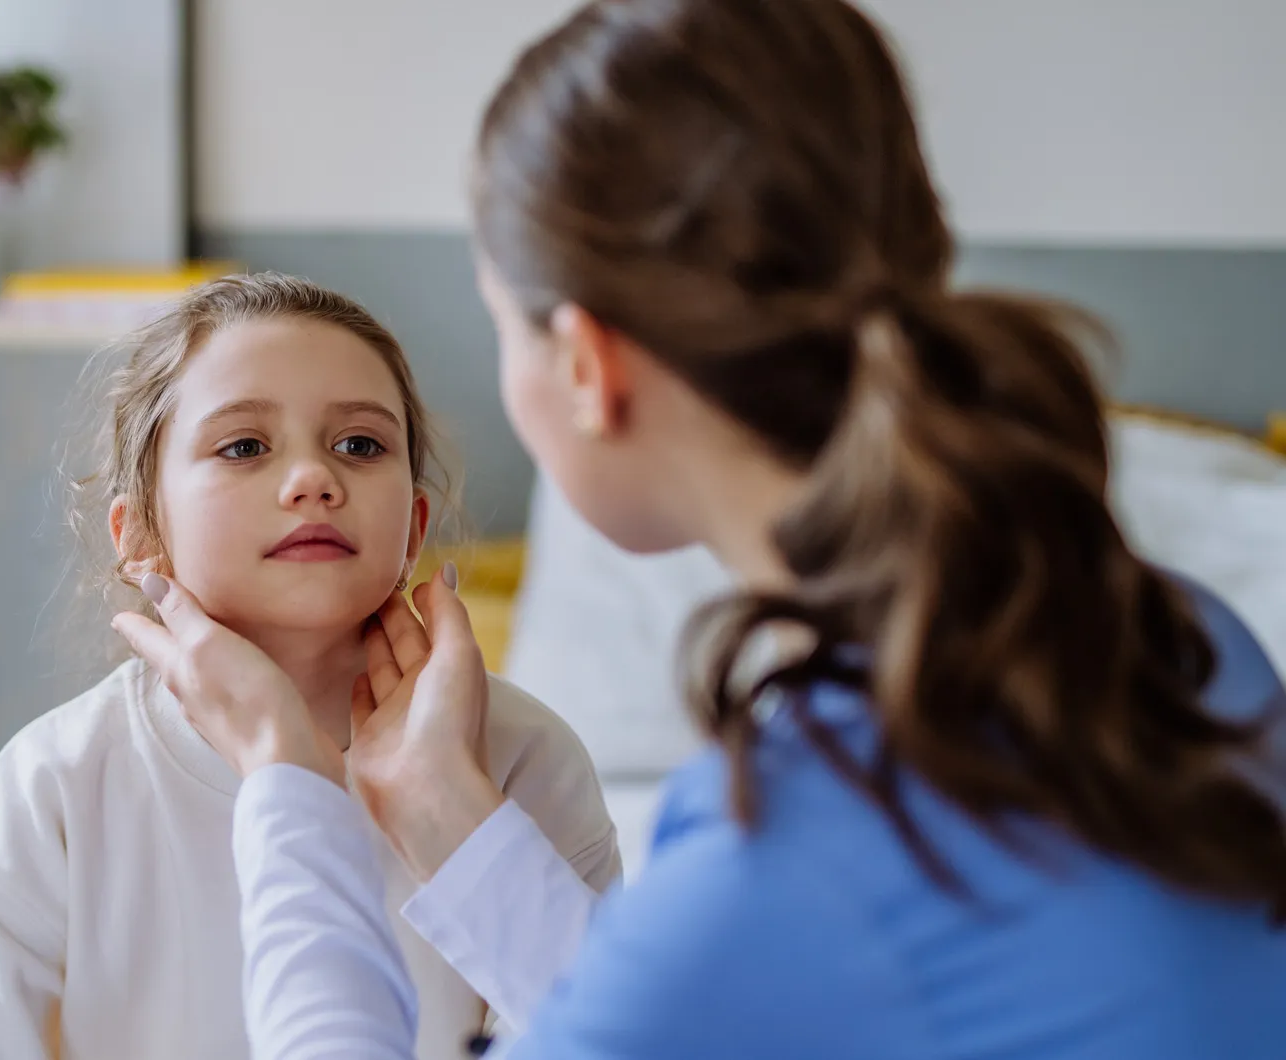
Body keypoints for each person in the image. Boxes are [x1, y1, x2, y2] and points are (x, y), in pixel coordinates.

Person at [115, 0, 1286, 1057]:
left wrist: (286, 782)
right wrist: (443, 813)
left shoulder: (788, 857)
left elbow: (707, 983)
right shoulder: (1187, 644)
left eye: (502, 331)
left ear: (587, 366)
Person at [0, 273, 621, 1060]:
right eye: (244, 447)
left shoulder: (526, 756)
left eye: (360, 445)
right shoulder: (54, 784)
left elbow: (622, 1035)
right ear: (139, 535)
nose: (313, 480)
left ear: (414, 528)